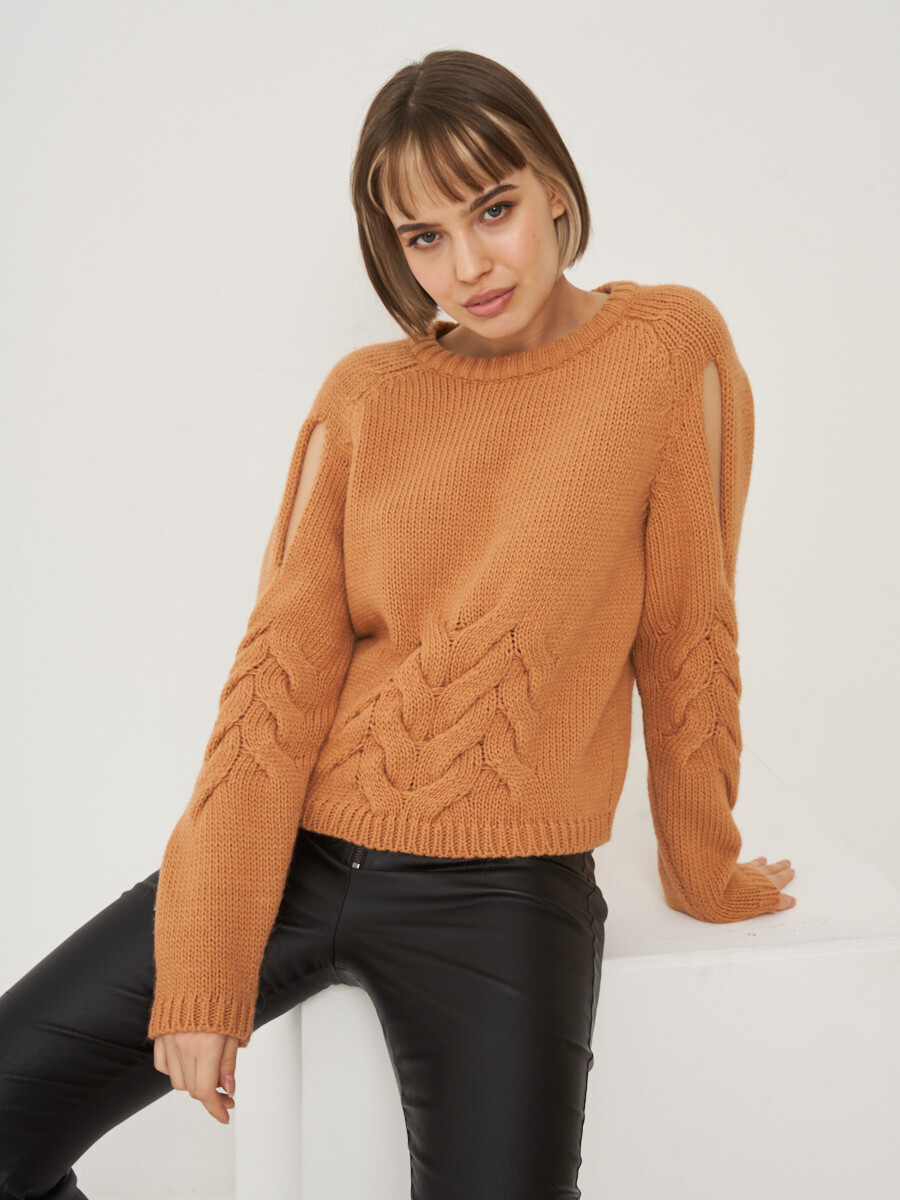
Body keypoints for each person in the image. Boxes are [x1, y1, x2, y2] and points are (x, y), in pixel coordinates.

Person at [0, 47, 796, 1200]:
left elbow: (687, 633)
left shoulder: (667, 351)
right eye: (425, 235)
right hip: (305, 857)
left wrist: (705, 866)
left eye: (493, 209)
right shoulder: (367, 396)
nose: (468, 264)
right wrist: (208, 962)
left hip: (504, 895)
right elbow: (274, 688)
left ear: (554, 187)